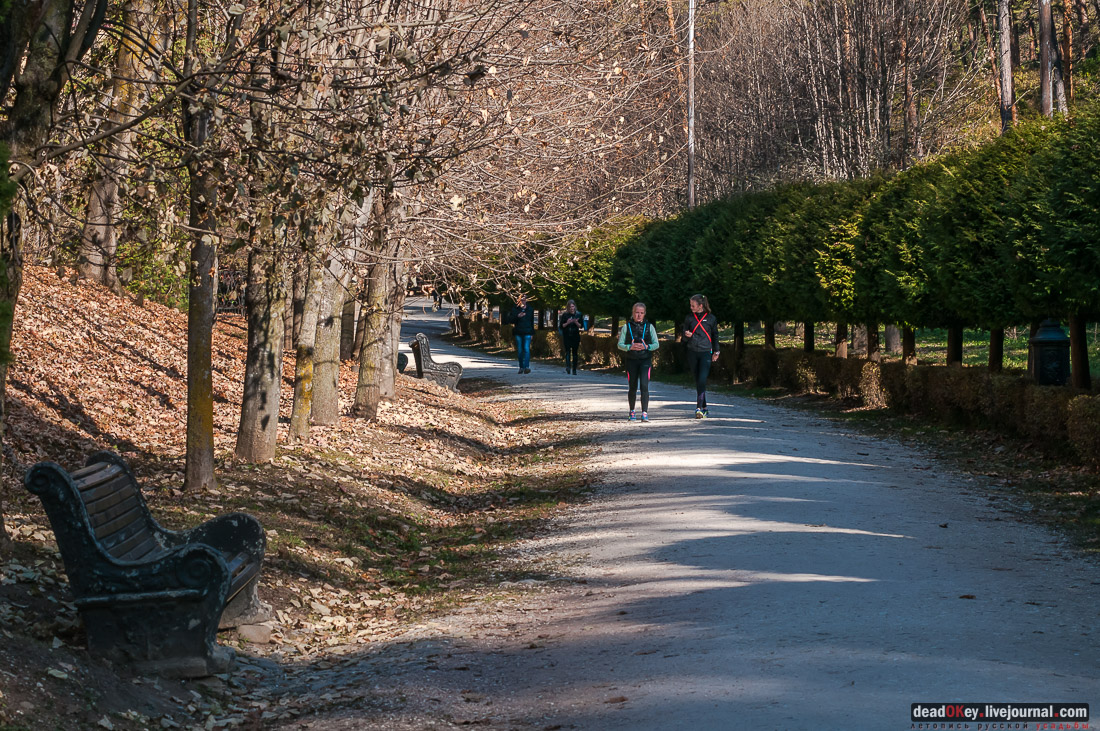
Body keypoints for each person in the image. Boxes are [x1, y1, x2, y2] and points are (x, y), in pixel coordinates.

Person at [616, 302, 659, 422]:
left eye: (641, 313)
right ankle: (632, 411)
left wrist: (647, 347)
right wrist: (630, 347)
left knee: (644, 386)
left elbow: (656, 344)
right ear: (633, 313)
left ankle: (645, 412)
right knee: (632, 386)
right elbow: (620, 344)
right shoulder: (626, 327)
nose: (639, 315)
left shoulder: (650, 327)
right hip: (631, 360)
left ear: (644, 314)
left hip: (645, 360)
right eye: (636, 313)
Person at [682, 294, 720, 418]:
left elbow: (715, 335)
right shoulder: (689, 318)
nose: (691, 307)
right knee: (698, 380)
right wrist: (686, 335)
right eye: (690, 305)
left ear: (700, 306)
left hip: (705, 352)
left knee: (702, 379)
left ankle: (698, 408)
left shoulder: (711, 318)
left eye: (693, 305)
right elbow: (684, 337)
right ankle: (705, 407)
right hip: (692, 352)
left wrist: (716, 351)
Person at [504, 293, 536, 373]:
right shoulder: (515, 309)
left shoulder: (530, 309)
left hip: (528, 331)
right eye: (522, 299)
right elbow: (510, 320)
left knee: (526, 349)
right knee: (520, 350)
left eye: (524, 299)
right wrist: (518, 316)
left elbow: (532, 321)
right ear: (519, 300)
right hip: (518, 331)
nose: (523, 301)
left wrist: (532, 333)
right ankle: (521, 366)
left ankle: (526, 367)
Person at [557, 299, 586, 374]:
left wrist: (576, 322)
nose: (571, 308)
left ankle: (574, 369)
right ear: (568, 308)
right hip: (567, 335)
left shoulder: (579, 314)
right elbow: (561, 326)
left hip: (575, 335)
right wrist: (567, 323)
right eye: (570, 307)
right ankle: (568, 367)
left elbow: (581, 326)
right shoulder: (565, 315)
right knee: (567, 352)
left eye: (572, 306)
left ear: (575, 307)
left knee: (575, 353)